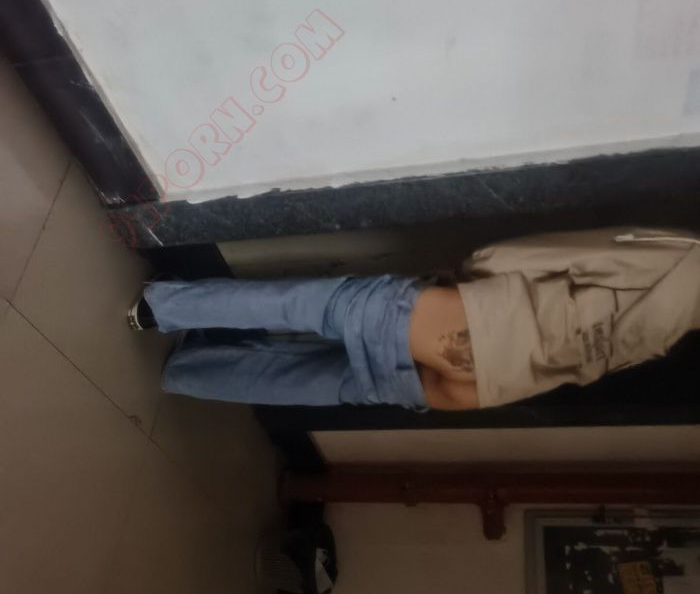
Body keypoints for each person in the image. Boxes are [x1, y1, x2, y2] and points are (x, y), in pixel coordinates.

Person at [128, 226, 700, 410]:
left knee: (313, 306)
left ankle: (159, 309)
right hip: (492, 386)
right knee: (320, 382)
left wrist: (473, 269)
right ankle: (185, 374)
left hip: (472, 324)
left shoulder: (686, 256)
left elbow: (552, 255)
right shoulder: (682, 322)